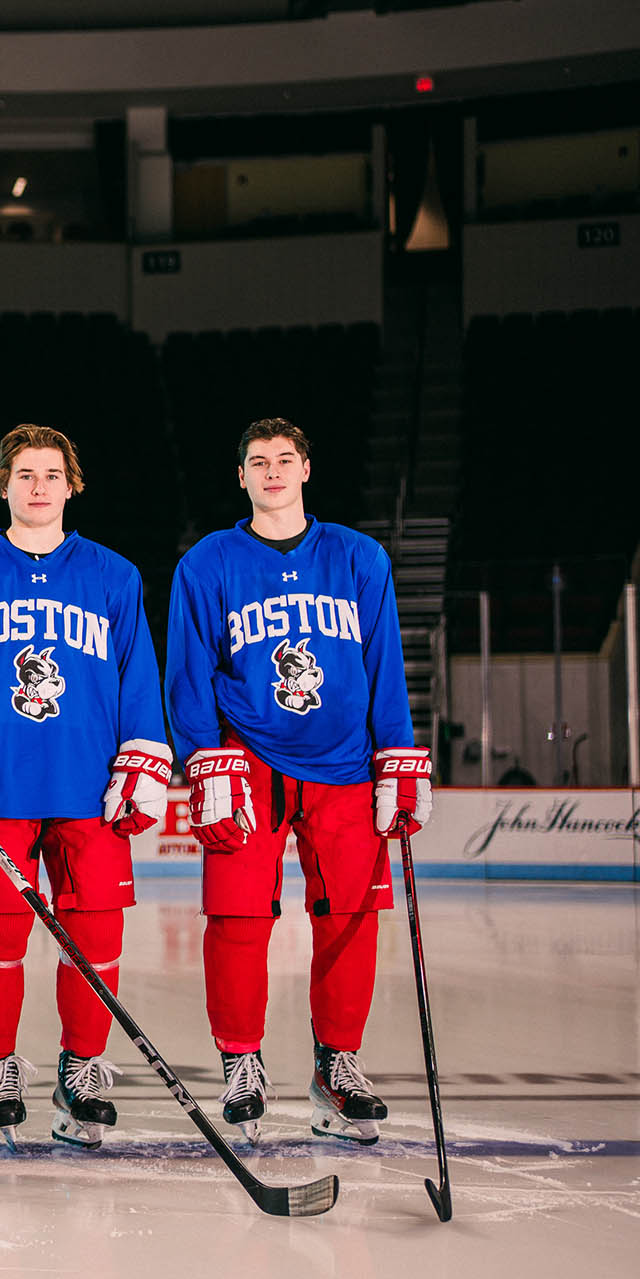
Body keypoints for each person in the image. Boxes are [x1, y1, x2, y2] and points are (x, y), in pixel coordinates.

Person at [165, 417, 431, 1144]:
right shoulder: (209, 562)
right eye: (258, 461)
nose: (273, 471)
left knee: (350, 915)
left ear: (307, 469)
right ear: (241, 476)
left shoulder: (358, 557)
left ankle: (336, 1066)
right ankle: (241, 1061)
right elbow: (188, 672)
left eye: (285, 459)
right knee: (238, 915)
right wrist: (199, 755)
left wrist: (397, 757)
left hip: (346, 763)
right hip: (247, 758)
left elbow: (383, 667)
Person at [0, 425, 171, 1149]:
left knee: (95, 933)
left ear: (72, 484)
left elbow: (137, 675)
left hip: (88, 788)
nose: (38, 486)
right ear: (3, 483)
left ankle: (82, 1066)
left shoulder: (115, 575)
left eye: (52, 474)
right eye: (24, 473)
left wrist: (143, 757)